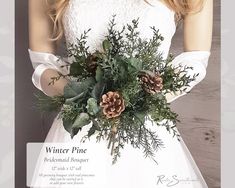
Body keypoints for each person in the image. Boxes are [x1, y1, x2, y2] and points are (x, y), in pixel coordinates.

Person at [28, 0, 213, 187]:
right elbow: (42, 62)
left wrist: (142, 99)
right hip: (79, 128)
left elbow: (195, 58)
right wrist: (85, 98)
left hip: (146, 130)